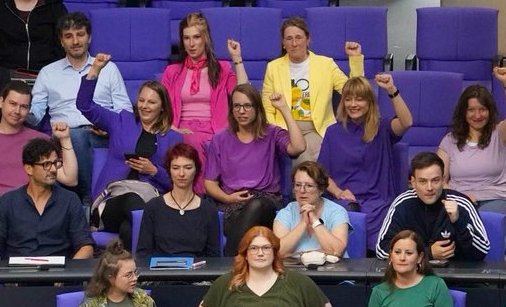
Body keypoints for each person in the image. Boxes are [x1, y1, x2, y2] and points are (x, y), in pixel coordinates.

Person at [77, 52, 184, 239]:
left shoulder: (173, 138)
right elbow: (84, 105)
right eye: (141, 100)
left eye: (151, 102)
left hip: (150, 198)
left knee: (129, 229)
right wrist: (95, 70)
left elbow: (179, 181)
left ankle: (135, 267)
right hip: (113, 199)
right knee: (133, 202)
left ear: (162, 107)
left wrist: (154, 171)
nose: (144, 106)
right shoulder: (121, 121)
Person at [29, 12, 131, 202]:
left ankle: (86, 201)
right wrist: (22, 111)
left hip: (103, 136)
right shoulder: (48, 73)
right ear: (61, 41)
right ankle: (89, 199)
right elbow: (35, 115)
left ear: (89, 37)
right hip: (64, 137)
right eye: (68, 36)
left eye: (80, 34)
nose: (75, 41)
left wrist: (111, 127)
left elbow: (125, 110)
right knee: (76, 136)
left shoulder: (108, 68)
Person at [0, 80, 77, 232]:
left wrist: (65, 139)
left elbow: (70, 179)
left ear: (29, 110)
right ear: (1, 102)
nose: (17, 111)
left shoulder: (40, 140)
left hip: (36, 204)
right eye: (13, 104)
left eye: (24, 107)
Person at [204, 83, 305, 257]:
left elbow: (298, 147)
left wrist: (284, 109)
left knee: (257, 206)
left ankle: (227, 264)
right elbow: (209, 182)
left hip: (266, 201)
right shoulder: (220, 138)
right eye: (237, 106)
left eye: (247, 106)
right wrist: (227, 198)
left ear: (257, 108)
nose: (241, 111)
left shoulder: (271, 133)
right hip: (232, 203)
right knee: (236, 219)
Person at [196, 226, 332, 307]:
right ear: (245, 254)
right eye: (254, 248)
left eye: (266, 248)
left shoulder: (298, 282)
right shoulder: (228, 282)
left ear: (274, 252)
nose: (260, 253)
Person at [319, 73, 411, 253]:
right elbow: (321, 174)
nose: (353, 104)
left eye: (359, 99)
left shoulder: (382, 128)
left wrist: (391, 90)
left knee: (382, 246)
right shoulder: (333, 132)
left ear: (370, 102)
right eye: (348, 99)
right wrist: (339, 192)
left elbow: (407, 122)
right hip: (345, 202)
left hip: (379, 202)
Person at [261, 17, 365, 165]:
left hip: (316, 128)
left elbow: (355, 92)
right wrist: (275, 134)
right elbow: (267, 108)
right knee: (304, 157)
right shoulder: (273, 67)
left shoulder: (326, 64)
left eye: (299, 38)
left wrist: (355, 59)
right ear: (283, 43)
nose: (294, 43)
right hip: (285, 129)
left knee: (318, 159)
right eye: (289, 39)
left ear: (308, 39)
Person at [0, 136, 94, 261]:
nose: (53, 169)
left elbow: (85, 246)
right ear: (29, 168)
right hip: (16, 275)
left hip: (61, 274)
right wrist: (0, 274)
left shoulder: (70, 200)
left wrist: (68, 274)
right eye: (46, 164)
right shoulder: (8, 201)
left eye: (56, 163)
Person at [437, 67, 506, 225]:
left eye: (482, 110)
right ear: (463, 112)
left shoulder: (500, 134)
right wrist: (462, 197)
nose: (477, 116)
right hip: (459, 200)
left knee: (484, 225)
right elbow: (439, 179)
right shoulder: (449, 140)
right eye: (471, 110)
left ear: (490, 111)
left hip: (495, 200)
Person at [160, 12, 246, 168]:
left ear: (205, 39)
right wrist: (172, 128)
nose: (191, 44)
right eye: (187, 38)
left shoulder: (222, 69)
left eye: (196, 37)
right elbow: (160, 107)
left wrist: (237, 58)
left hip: (213, 129)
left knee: (197, 144)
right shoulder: (171, 72)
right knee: (184, 143)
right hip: (179, 129)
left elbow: (244, 94)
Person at [376, 151, 489, 264]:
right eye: (423, 181)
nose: (429, 188)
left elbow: (481, 253)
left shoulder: (461, 203)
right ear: (413, 182)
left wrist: (458, 222)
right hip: (414, 277)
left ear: (443, 179)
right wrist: (428, 253)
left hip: (456, 278)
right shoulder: (402, 204)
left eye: (435, 180)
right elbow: (381, 250)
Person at [365, 229, 456, 307]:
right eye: (397, 252)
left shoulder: (436, 285)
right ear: (391, 256)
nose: (402, 258)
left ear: (420, 257)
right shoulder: (379, 292)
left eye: (408, 253)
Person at [71, 240, 170, 307]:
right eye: (128, 275)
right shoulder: (90, 305)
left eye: (135, 272)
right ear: (110, 277)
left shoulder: (143, 298)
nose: (135, 278)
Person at [135, 142, 221, 261]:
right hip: (159, 276)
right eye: (175, 168)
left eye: (188, 167)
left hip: (197, 276)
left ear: (196, 170)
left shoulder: (208, 210)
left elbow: (214, 259)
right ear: (169, 170)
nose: (181, 174)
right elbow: (143, 255)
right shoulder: (153, 207)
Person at [273, 160, 350, 260]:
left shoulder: (337, 212)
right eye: (298, 185)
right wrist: (304, 223)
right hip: (295, 273)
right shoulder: (286, 213)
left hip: (332, 272)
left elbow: (337, 251)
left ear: (321, 189)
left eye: (309, 186)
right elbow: (278, 252)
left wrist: (314, 220)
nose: (302, 190)